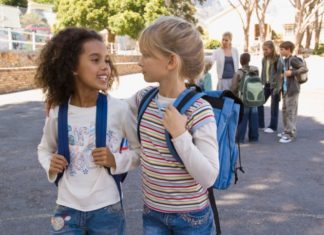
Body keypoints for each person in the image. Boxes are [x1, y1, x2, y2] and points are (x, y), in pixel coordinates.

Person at [108, 16, 219, 234]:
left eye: (147, 55)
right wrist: (64, 99)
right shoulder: (143, 99)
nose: (140, 61)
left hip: (192, 217)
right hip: (153, 213)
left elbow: (208, 177)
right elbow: (112, 111)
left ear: (171, 62)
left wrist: (180, 135)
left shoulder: (199, 110)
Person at [35, 27, 140, 234]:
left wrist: (115, 160)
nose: (105, 67)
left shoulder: (118, 109)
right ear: (73, 67)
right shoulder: (58, 111)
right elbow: (44, 149)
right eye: (95, 60)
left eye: (107, 60)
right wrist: (50, 163)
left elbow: (139, 151)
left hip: (108, 210)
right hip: (66, 209)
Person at [277, 41, 308, 143]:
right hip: (286, 90)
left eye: (282, 49)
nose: (280, 51)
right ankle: (286, 130)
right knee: (285, 111)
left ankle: (290, 134)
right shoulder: (286, 60)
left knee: (291, 112)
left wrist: (292, 72)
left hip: (293, 90)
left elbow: (304, 69)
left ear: (288, 49)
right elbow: (286, 73)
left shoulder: (293, 59)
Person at [231, 53, 259, 143]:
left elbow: (234, 87)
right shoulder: (255, 70)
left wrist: (233, 97)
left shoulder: (238, 72)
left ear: (240, 61)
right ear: (249, 60)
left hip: (243, 99)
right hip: (254, 97)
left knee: (243, 118)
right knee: (254, 118)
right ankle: (254, 138)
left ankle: (240, 138)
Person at [258, 40, 282, 133]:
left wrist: (278, 87)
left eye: (266, 49)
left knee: (274, 106)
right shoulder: (264, 59)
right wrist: (260, 83)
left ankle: (273, 126)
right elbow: (263, 72)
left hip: (275, 86)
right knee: (259, 102)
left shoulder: (278, 59)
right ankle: (260, 124)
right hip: (266, 85)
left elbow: (280, 73)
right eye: (263, 50)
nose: (264, 51)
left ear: (272, 49)